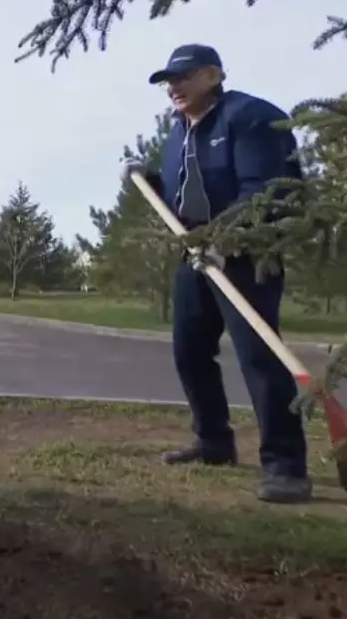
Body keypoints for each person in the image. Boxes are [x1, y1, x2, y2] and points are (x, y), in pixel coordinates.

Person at [123, 44, 310, 504]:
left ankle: (286, 467)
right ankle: (213, 442)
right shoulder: (178, 133)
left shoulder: (251, 118)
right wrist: (149, 179)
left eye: (183, 77)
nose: (173, 87)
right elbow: (182, 192)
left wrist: (226, 239)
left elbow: (267, 193)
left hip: (247, 256)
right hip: (197, 256)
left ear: (213, 75)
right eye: (168, 80)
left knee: (261, 359)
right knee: (189, 351)